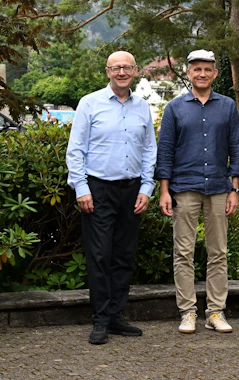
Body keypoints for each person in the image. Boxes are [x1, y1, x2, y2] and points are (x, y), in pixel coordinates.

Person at [66, 50, 156, 345]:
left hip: (132, 191)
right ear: (107, 71)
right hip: (98, 189)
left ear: (135, 70)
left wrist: (146, 188)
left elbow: (149, 150)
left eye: (126, 67)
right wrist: (81, 187)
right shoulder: (89, 103)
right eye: (116, 68)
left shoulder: (142, 106)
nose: (121, 72)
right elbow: (76, 149)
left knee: (124, 256)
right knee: (100, 255)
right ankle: (100, 319)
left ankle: (116, 315)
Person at [156, 50, 239, 335]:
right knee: (183, 253)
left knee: (218, 252)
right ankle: (187, 312)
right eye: (197, 69)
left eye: (207, 69)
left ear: (215, 73)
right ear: (189, 73)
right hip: (184, 188)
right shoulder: (175, 108)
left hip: (219, 188)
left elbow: (236, 148)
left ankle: (216, 311)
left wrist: (234, 188)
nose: (202, 74)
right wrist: (164, 191)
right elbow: (165, 151)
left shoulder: (228, 106)